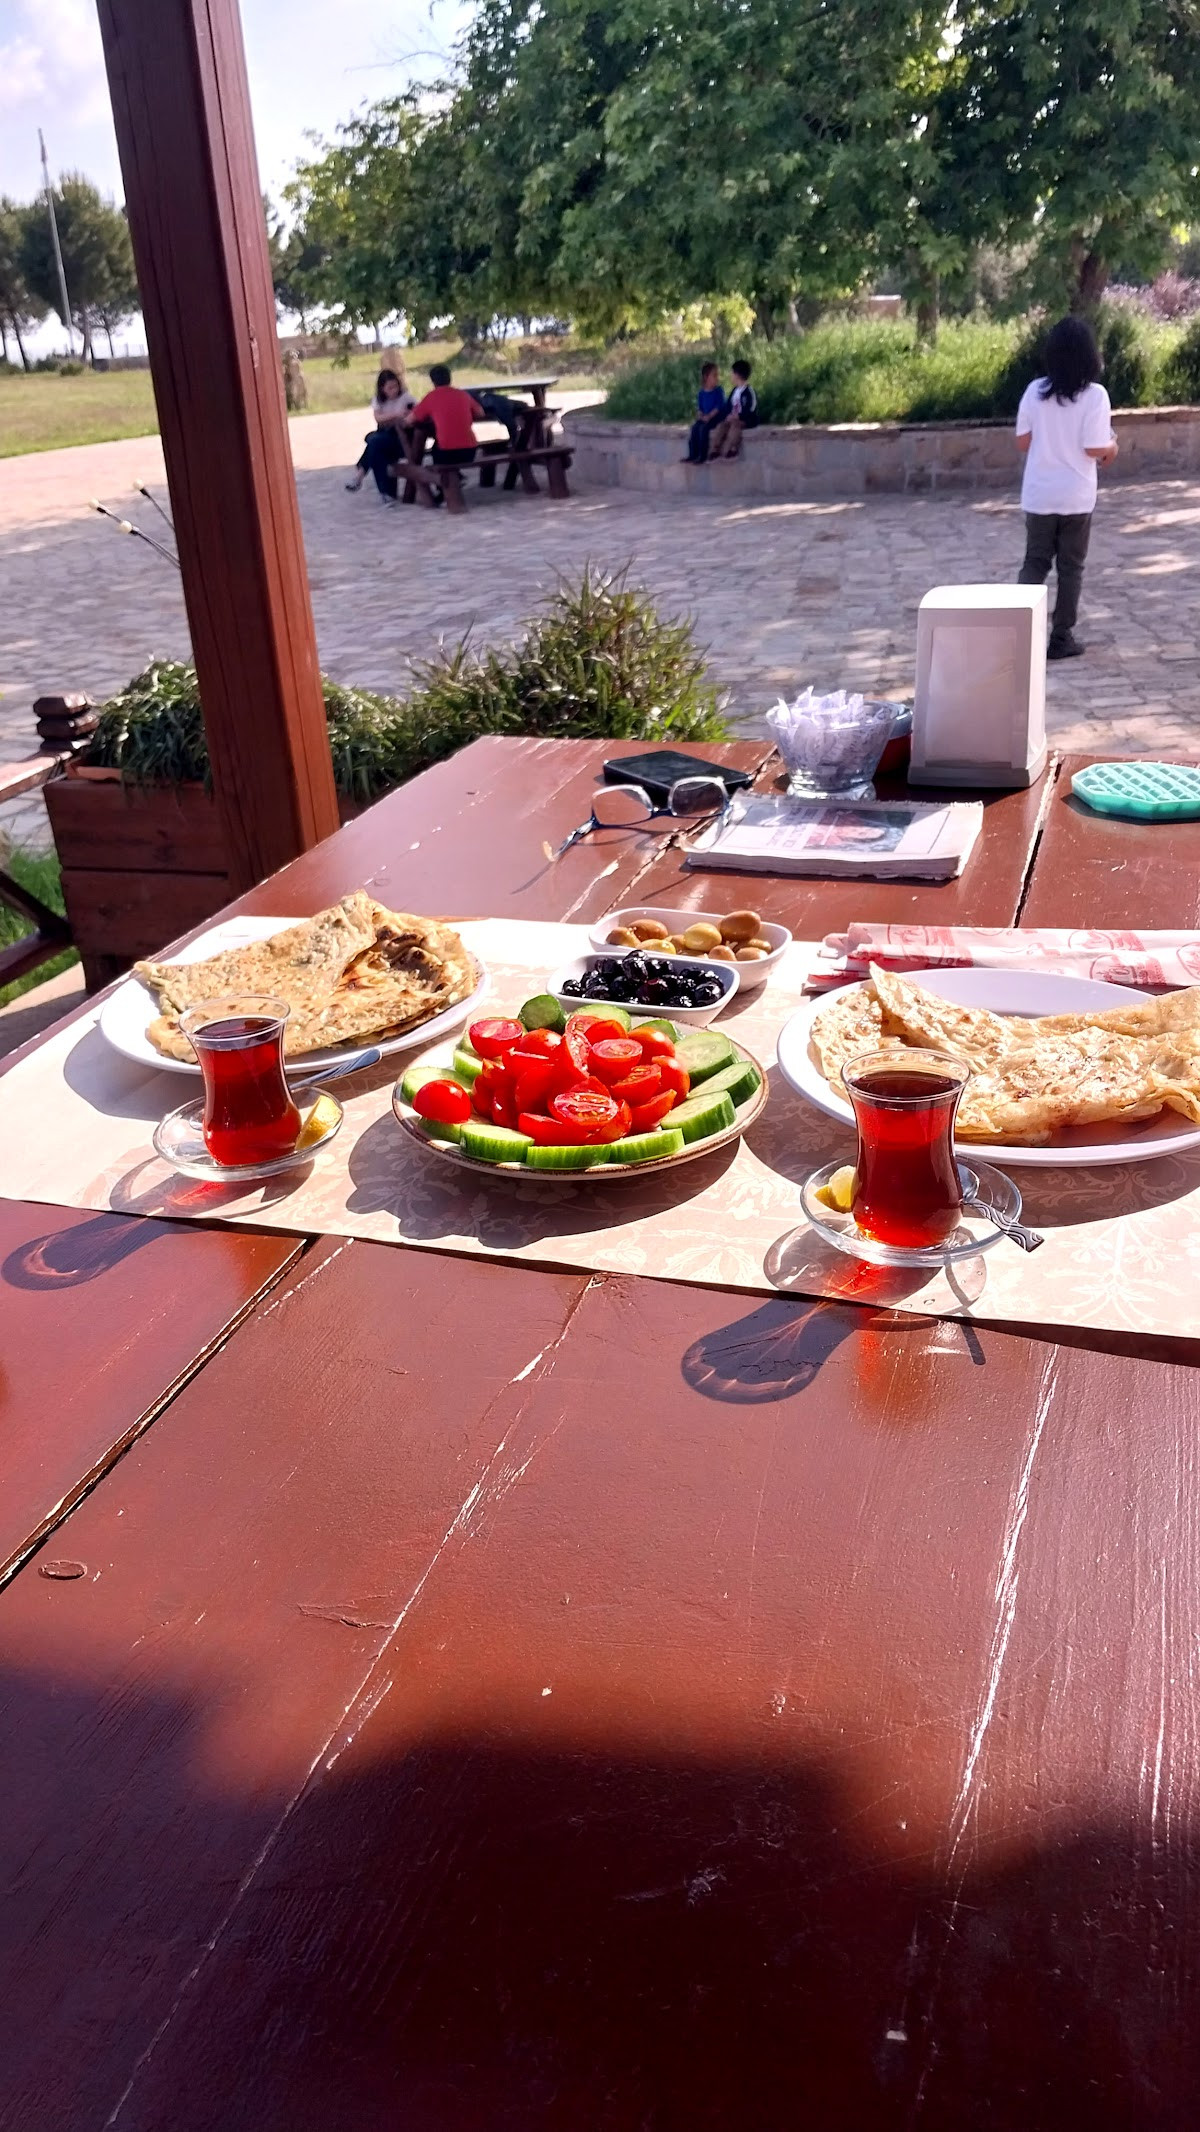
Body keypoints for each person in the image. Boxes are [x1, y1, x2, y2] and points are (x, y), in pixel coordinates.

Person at [1015, 317, 1118, 660]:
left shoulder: (1034, 391)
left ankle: (1020, 631)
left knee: (1035, 561)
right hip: (1076, 495)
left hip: (1040, 492)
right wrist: (1112, 448)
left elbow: (1023, 441)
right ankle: (1062, 637)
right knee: (1071, 567)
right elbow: (1094, 449)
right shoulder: (1095, 397)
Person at [346, 368, 417, 498]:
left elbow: (416, 413)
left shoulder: (406, 398)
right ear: (382, 388)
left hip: (402, 439)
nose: (394, 390)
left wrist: (405, 416)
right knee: (375, 446)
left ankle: (360, 474)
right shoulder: (378, 400)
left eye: (395, 386)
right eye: (390, 388)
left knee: (373, 440)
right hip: (385, 435)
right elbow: (378, 418)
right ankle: (386, 493)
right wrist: (396, 414)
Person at [409, 364, 485, 482]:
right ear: (450, 378)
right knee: (442, 444)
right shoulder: (463, 394)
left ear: (433, 381)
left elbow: (411, 419)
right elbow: (481, 413)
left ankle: (444, 488)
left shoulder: (431, 397)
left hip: (447, 453)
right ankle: (456, 478)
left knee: (437, 448)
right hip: (470, 451)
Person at [709, 358, 759, 459]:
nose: (730, 376)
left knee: (735, 427)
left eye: (732, 373)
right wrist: (728, 415)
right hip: (732, 418)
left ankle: (733, 449)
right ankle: (715, 448)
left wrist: (739, 416)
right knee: (721, 426)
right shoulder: (735, 391)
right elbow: (728, 406)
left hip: (745, 419)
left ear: (737, 375)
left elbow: (752, 408)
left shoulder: (749, 391)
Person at [684, 363, 727, 464]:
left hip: (716, 417)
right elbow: (700, 407)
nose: (717, 378)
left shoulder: (718, 391)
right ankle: (692, 454)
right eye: (714, 375)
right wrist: (700, 415)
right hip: (706, 417)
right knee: (694, 428)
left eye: (717, 375)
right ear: (706, 377)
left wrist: (709, 416)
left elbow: (718, 406)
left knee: (704, 429)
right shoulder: (701, 393)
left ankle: (702, 456)